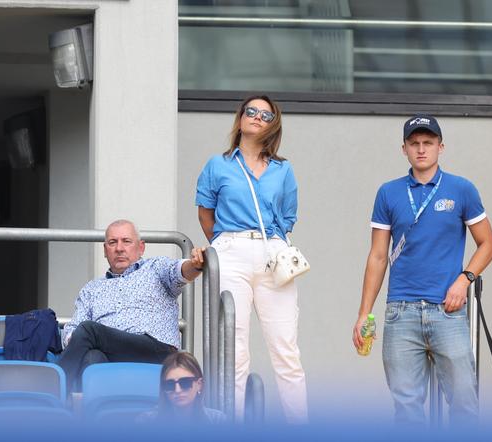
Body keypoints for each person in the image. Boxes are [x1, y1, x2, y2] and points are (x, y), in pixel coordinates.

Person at [352, 115, 492, 425]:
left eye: (428, 143)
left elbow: (487, 244)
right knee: (407, 410)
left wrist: (464, 279)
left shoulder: (461, 189)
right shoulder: (388, 193)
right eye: (414, 143)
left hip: (447, 311)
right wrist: (364, 313)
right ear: (403, 148)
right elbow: (378, 256)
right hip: (399, 312)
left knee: (464, 405)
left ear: (440, 147)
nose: (421, 149)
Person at [196, 95, 307, 424]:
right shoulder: (219, 165)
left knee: (286, 349)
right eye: (251, 111)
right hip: (232, 250)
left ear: (274, 123)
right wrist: (225, 243)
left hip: (272, 253)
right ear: (240, 117)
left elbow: (288, 217)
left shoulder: (282, 169)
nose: (257, 117)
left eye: (266, 114)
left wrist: (270, 241)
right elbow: (205, 215)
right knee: (235, 348)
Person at [59, 219, 205, 391]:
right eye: (112, 242)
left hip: (156, 351)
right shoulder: (91, 289)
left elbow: (179, 272)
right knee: (92, 357)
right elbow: (72, 331)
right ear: (105, 250)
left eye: (126, 241)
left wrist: (195, 265)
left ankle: (53, 392)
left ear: (141, 247)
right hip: (110, 354)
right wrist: (79, 341)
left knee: (89, 330)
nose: (119, 248)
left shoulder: (155, 269)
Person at [136, 351, 226, 424]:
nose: (177, 390)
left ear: (199, 384)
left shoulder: (217, 421)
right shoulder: (146, 422)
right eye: (170, 385)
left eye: (185, 383)